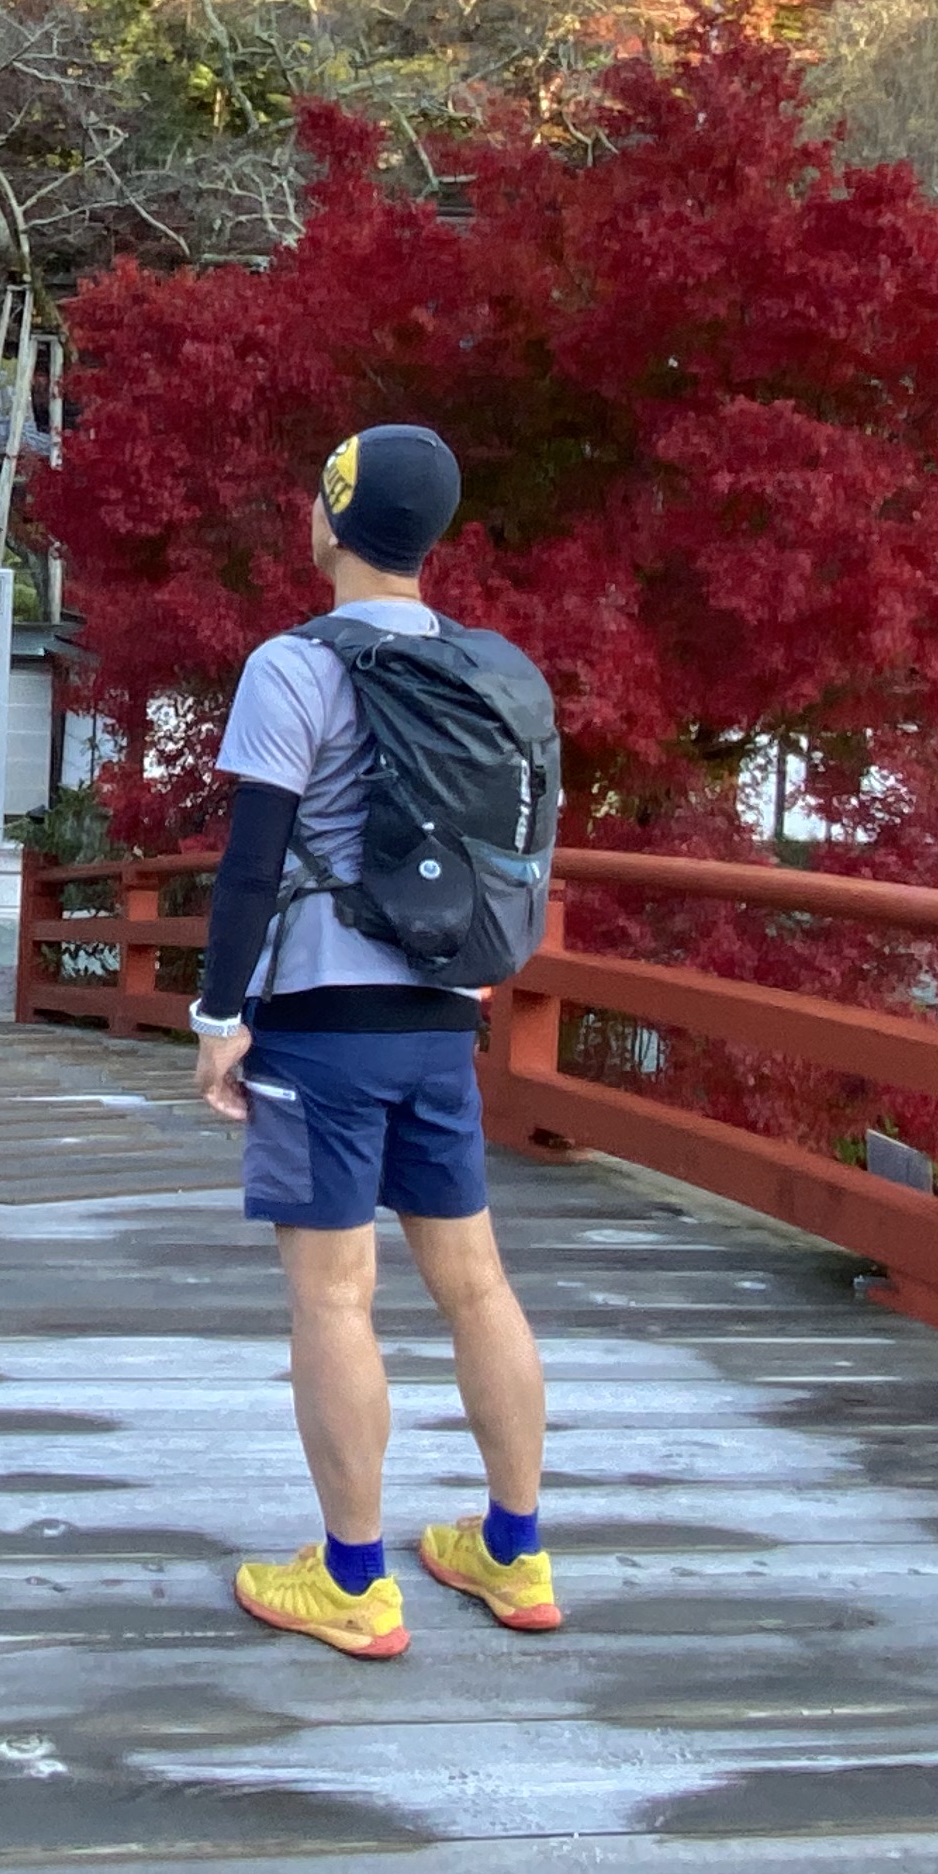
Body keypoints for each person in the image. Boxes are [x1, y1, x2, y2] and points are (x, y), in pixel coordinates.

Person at [191, 424, 556, 1658]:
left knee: (334, 1300)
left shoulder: (293, 667)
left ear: (332, 521)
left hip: (325, 1028)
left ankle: (352, 1577)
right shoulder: (485, 670)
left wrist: (219, 1017)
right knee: (477, 1285)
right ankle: (513, 1550)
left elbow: (250, 865)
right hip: (444, 1016)